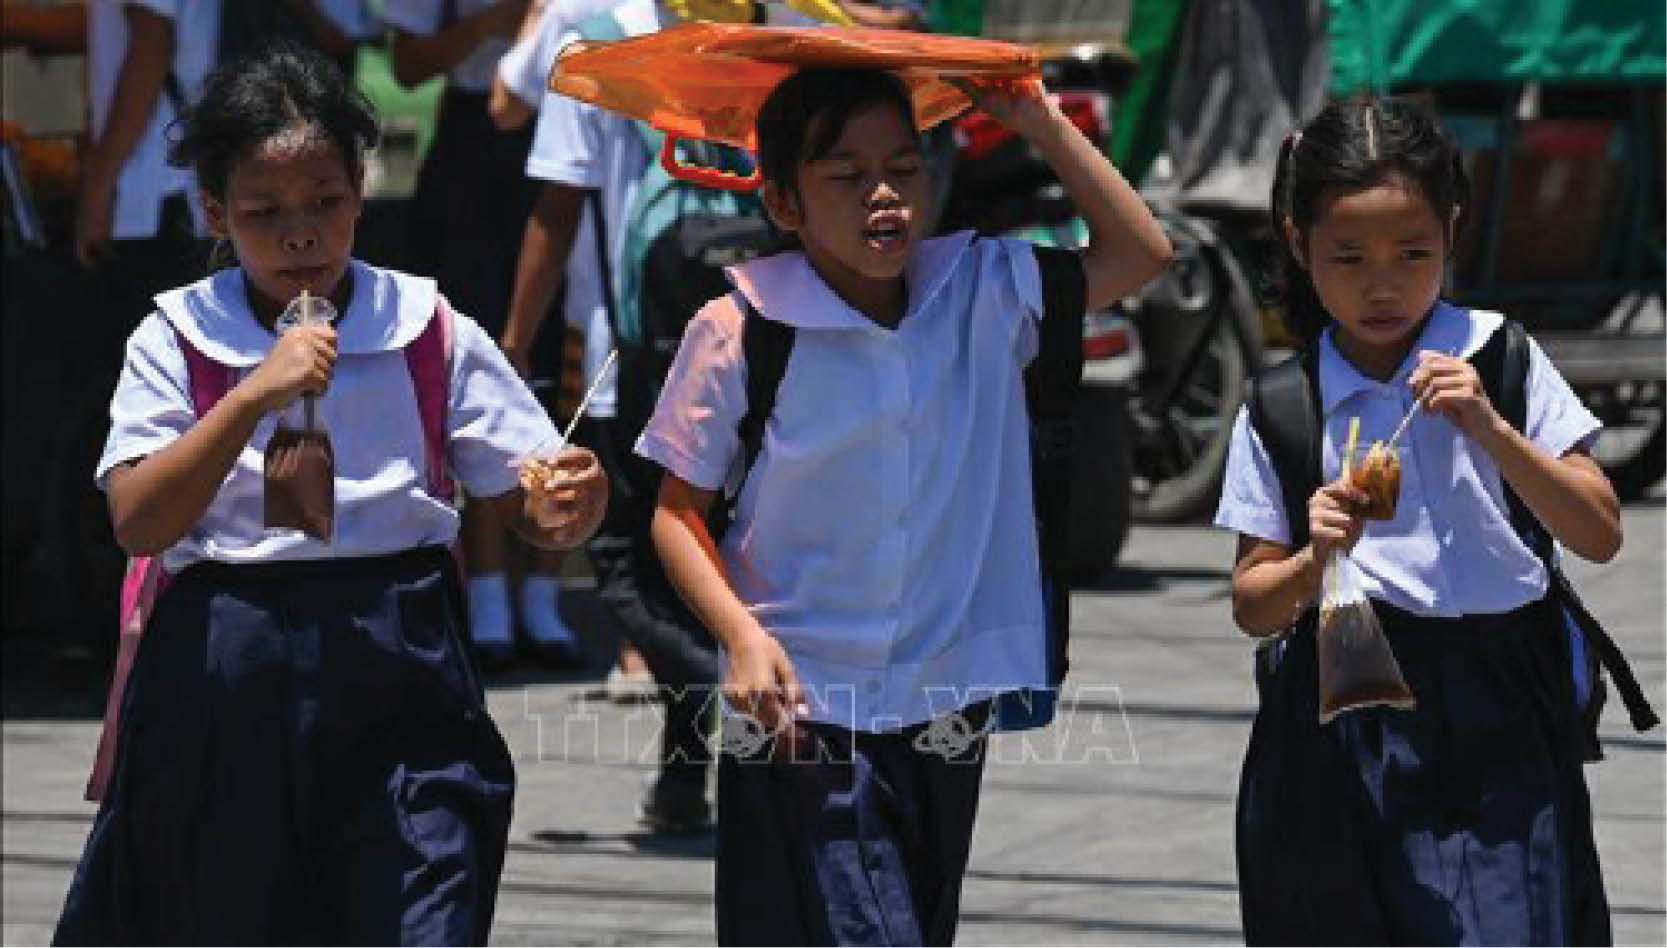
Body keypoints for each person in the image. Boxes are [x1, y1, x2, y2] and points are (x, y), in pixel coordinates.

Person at [51, 41, 607, 944]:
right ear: (216, 214)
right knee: (233, 910)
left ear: (361, 188)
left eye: (327, 203)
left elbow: (534, 497)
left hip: (400, 649)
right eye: (265, 213)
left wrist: (569, 501)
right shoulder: (174, 341)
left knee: (426, 895)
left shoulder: (427, 327)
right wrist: (254, 395)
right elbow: (139, 518)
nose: (301, 233)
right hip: (231, 657)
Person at [639, 67, 1171, 943]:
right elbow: (675, 511)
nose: (883, 194)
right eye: (845, 177)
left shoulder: (984, 289)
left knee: (912, 919)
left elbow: (1139, 255)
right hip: (796, 705)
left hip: (942, 700)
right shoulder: (739, 328)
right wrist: (740, 636)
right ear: (782, 200)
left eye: (904, 165)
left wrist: (1039, 123)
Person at [1216, 96, 1619, 944]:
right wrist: (1313, 556)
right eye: (1348, 257)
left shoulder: (1498, 355)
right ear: (1298, 243)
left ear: (1453, 234)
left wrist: (1493, 433)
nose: (1382, 284)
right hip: (1340, 711)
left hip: (1496, 705)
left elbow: (1597, 531)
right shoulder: (1285, 406)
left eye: (1412, 253)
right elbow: (1254, 603)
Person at [383, 0, 586, 669]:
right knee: (477, 355)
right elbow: (403, 66)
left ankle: (545, 594)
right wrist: (487, 25)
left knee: (563, 351)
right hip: (472, 145)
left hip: (566, 124)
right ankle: (490, 592)